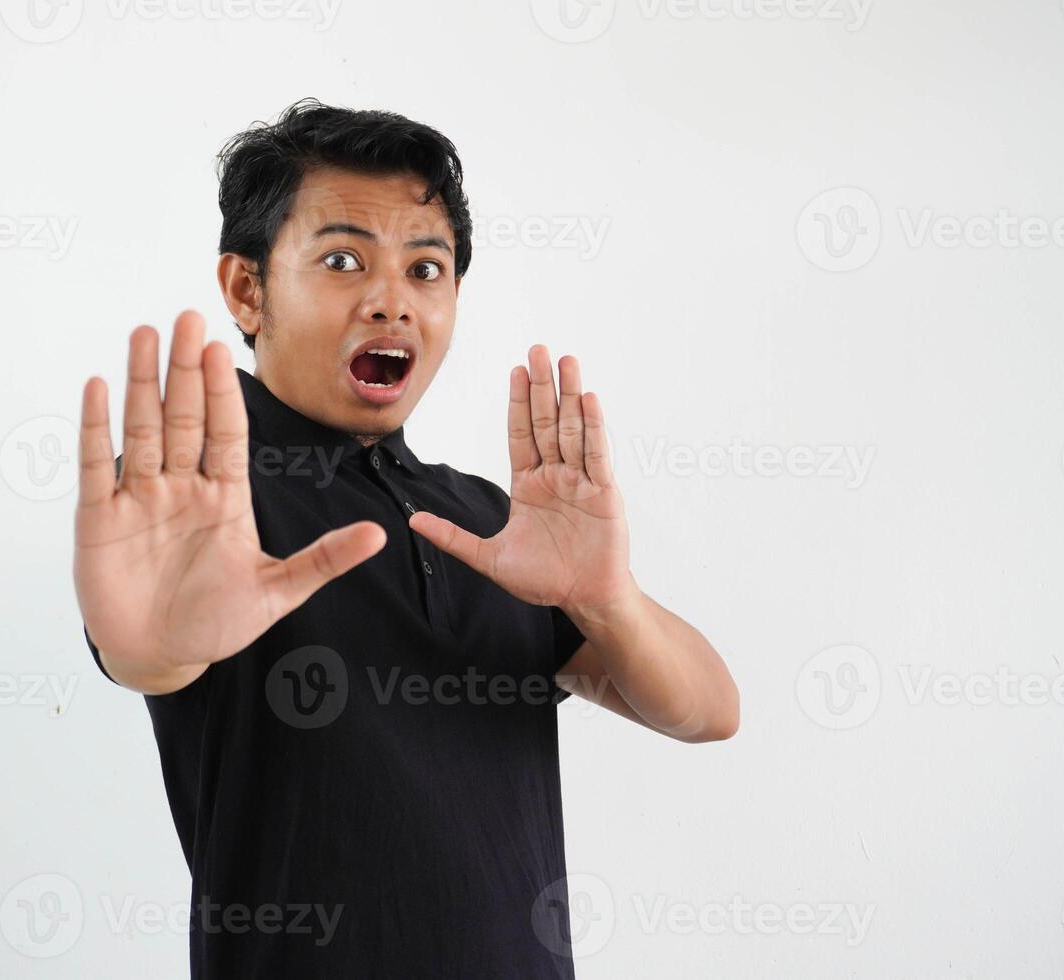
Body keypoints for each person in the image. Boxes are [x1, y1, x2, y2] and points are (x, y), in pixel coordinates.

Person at [73, 99, 738, 979]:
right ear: (247, 289)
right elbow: (151, 647)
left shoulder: (492, 525)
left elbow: (708, 711)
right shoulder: (200, 497)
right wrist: (150, 645)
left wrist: (604, 600)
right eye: (343, 260)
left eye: (428, 269)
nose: (392, 300)